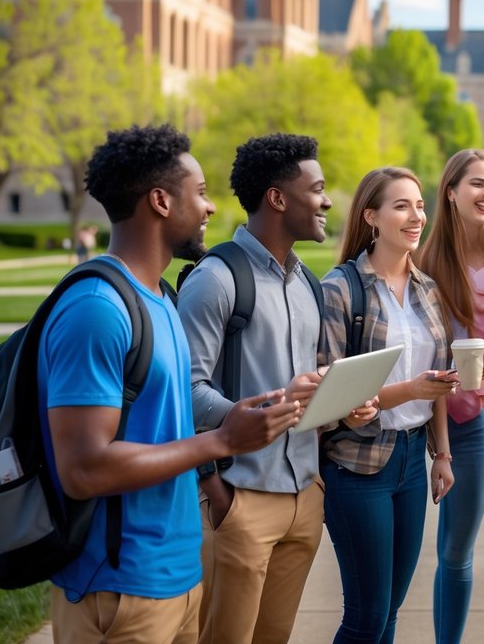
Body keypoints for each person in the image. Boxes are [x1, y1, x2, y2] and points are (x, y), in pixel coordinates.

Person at [37, 125, 302, 643]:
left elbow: (166, 426)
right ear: (160, 201)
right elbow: (83, 469)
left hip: (178, 579)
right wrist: (223, 441)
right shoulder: (97, 310)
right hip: (117, 588)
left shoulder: (160, 297)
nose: (209, 208)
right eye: (199, 193)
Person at [178, 134, 332, 644]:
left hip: (304, 498)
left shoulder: (309, 284)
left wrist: (336, 399)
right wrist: (217, 492)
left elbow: (303, 391)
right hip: (238, 499)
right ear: (278, 198)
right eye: (318, 189)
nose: (327, 201)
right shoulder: (216, 279)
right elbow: (184, 392)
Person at [319, 167, 459, 644]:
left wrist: (442, 454)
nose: (417, 216)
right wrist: (408, 391)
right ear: (371, 217)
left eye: (419, 205)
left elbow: (438, 380)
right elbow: (331, 393)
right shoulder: (340, 289)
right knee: (366, 617)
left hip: (412, 462)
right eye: (402, 206)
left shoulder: (428, 289)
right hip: (358, 464)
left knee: (390, 612)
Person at [416, 149, 484, 644]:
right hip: (412, 413)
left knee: (457, 551)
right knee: (398, 556)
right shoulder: (422, 261)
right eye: (477, 184)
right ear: (451, 192)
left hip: (472, 416)